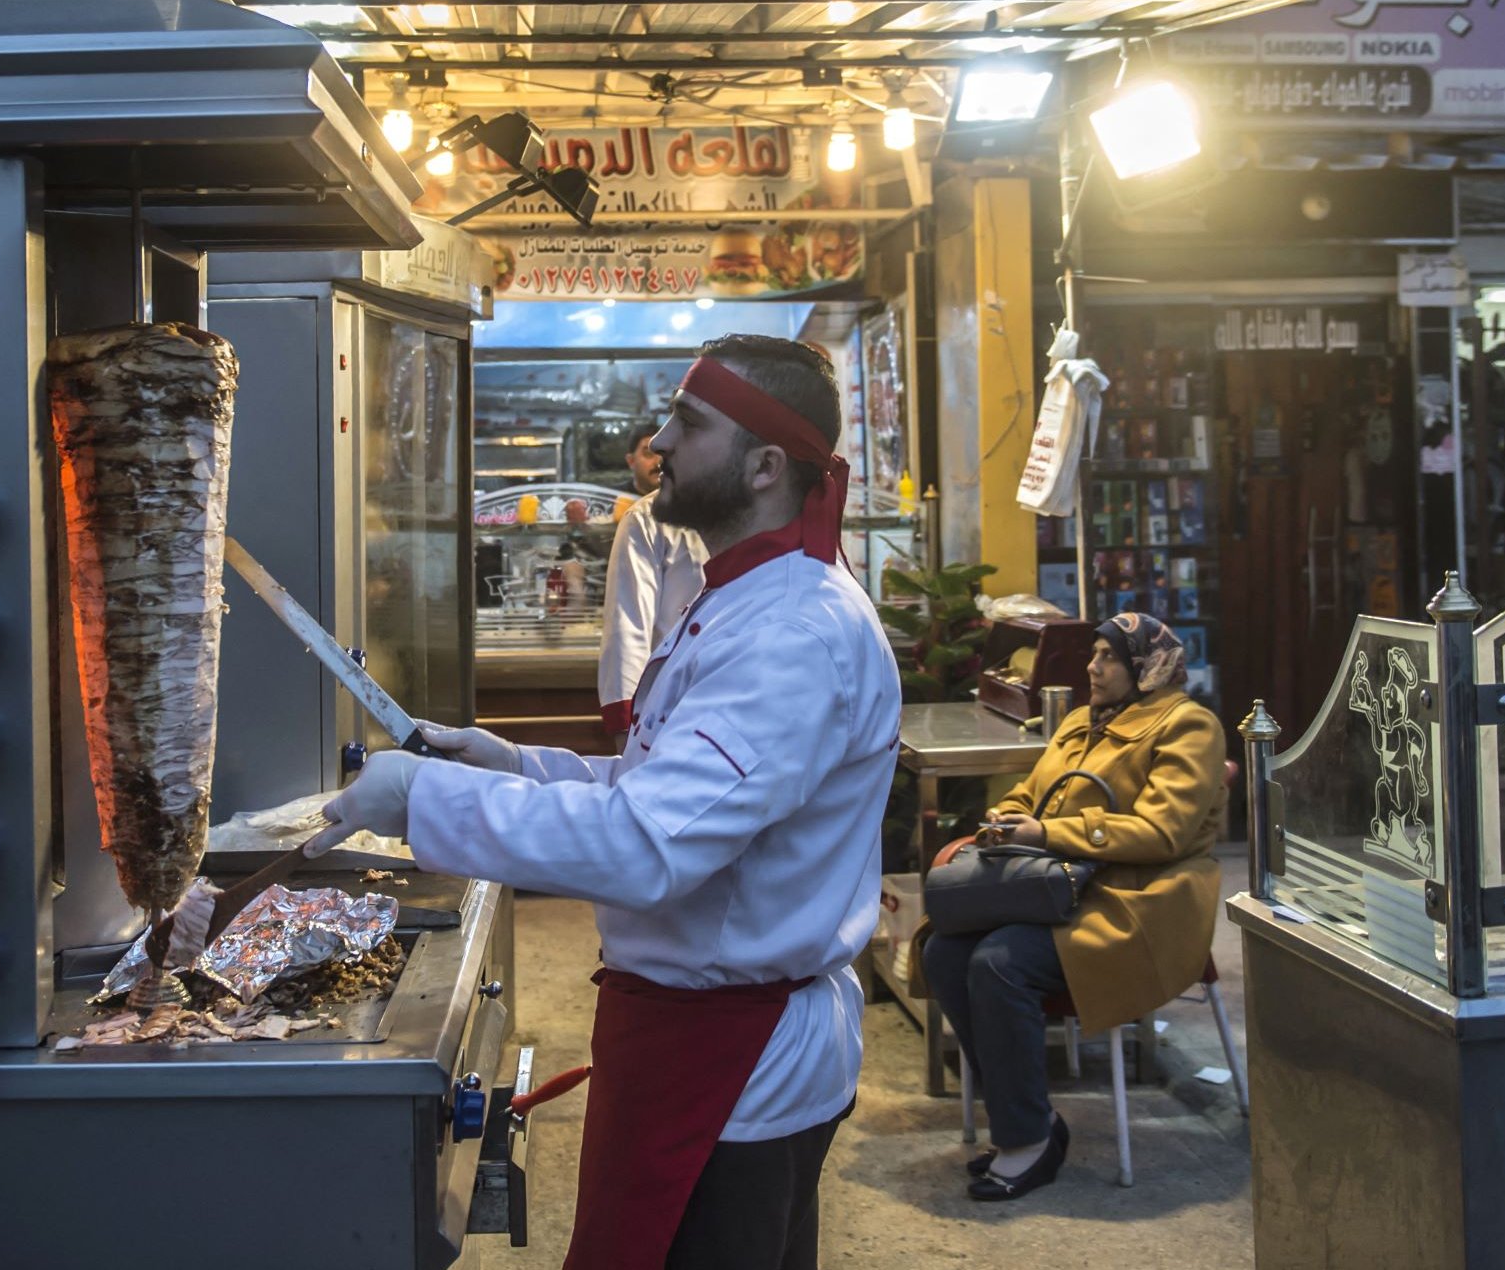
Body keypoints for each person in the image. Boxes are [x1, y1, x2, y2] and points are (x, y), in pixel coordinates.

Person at [308, 335, 900, 1270]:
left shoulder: (792, 634)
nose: (659, 439)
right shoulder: (743, 597)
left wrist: (425, 797)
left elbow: (646, 847)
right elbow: (654, 791)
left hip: (731, 1070)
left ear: (764, 467)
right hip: (687, 1037)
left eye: (689, 423)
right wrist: (507, 766)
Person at [921, 614, 1225, 1202]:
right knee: (943, 951)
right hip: (1055, 888)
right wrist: (1005, 820)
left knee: (998, 962)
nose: (1093, 667)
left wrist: (1050, 834)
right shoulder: (1080, 723)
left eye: (1109, 657)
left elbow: (1163, 833)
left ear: (1146, 667)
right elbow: (1029, 793)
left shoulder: (1188, 727)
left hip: (1136, 902)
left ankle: (1026, 1139)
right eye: (1094, 655)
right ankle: (1030, 1119)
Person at [600, 421, 709, 740]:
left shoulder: (756, 513)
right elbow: (629, 626)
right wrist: (626, 723)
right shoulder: (645, 518)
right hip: (669, 705)